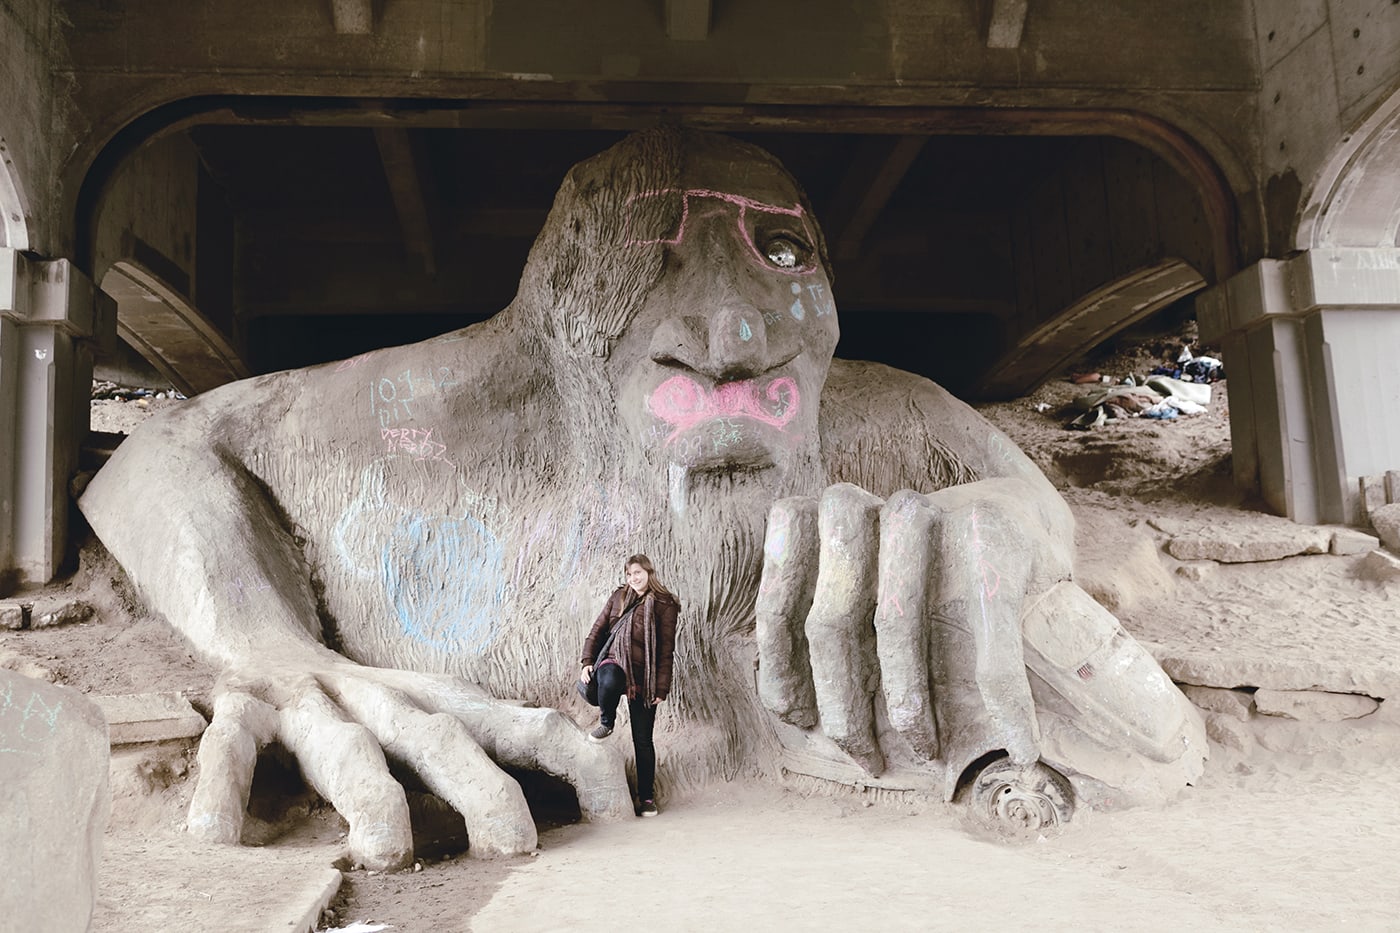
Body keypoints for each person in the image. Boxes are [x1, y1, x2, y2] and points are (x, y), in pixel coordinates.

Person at [579, 554, 679, 817]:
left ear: (649, 572)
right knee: (609, 678)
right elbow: (597, 630)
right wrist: (587, 661)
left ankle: (646, 798)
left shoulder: (664, 604)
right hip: (614, 661)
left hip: (644, 675)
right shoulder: (618, 597)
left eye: (638, 573)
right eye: (630, 574)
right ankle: (607, 722)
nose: (634, 578)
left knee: (643, 740)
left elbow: (666, 649)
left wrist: (661, 688)